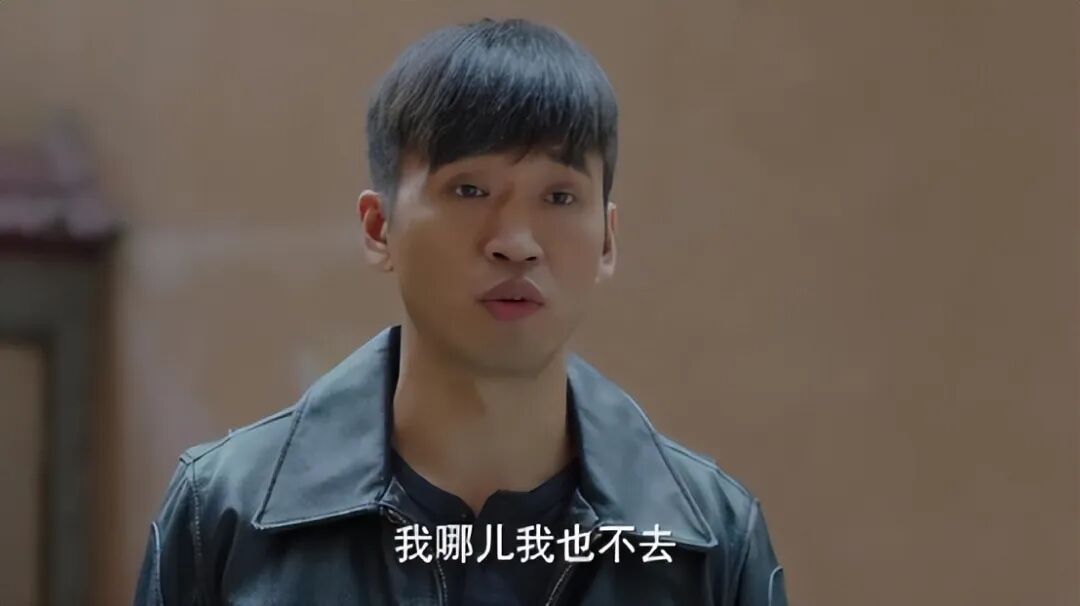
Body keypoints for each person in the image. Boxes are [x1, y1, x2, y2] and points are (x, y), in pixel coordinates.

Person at [134, 17, 788, 606]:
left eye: (560, 197)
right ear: (379, 227)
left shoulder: (711, 539)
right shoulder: (226, 513)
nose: (517, 243)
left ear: (608, 241)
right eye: (469, 189)